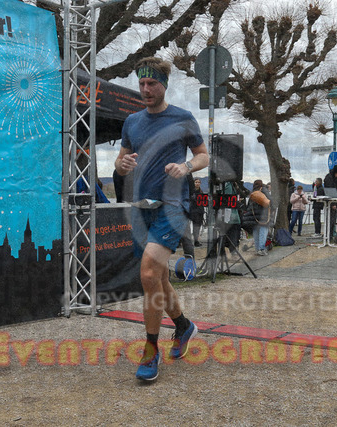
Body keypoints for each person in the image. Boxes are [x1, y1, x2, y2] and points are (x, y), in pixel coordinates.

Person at [115, 57, 209, 382]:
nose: (145, 89)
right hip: (143, 207)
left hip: (173, 206)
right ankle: (183, 326)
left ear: (164, 85)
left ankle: (150, 350)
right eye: (141, 84)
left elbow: (203, 155)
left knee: (147, 272)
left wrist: (186, 167)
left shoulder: (182, 118)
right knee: (158, 278)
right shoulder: (132, 122)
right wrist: (121, 165)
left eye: (152, 84)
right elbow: (119, 161)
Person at [249, 179, 271, 256]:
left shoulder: (252, 193)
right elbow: (270, 201)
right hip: (263, 215)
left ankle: (257, 249)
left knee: (256, 232)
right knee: (263, 232)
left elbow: (249, 205)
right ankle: (261, 249)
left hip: (253, 216)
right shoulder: (264, 191)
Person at [324, 165, 337, 239]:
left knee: (333, 220)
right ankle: (328, 235)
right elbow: (330, 192)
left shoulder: (335, 178)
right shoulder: (329, 178)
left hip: (334, 201)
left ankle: (331, 235)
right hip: (331, 202)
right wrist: (333, 203)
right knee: (330, 220)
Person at [189, 177, 205, 246]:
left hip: (199, 211)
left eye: (198, 182)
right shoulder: (191, 192)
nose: (197, 184)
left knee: (197, 227)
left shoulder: (201, 192)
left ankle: (196, 240)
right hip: (192, 211)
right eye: (196, 182)